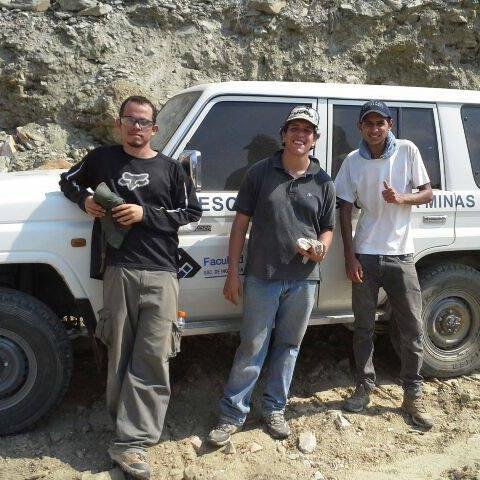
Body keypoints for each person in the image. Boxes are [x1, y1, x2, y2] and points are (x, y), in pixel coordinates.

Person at [59, 95, 202, 479]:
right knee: (118, 351)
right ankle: (126, 432)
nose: (136, 127)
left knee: (154, 355)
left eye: (143, 121)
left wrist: (145, 214)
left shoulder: (171, 169)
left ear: (154, 128)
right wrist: (86, 200)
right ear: (120, 124)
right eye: (130, 120)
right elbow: (67, 181)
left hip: (162, 272)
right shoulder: (101, 159)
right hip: (118, 269)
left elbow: (191, 212)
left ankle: (131, 442)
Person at [208, 106, 336, 446]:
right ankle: (232, 414)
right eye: (294, 128)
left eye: (307, 130)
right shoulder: (260, 173)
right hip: (262, 276)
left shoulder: (324, 182)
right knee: (252, 345)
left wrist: (320, 249)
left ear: (315, 139)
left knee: (289, 346)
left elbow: (327, 229)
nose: (300, 135)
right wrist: (233, 273)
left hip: (304, 279)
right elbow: (239, 226)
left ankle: (274, 409)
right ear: (283, 135)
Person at [334, 100, 434, 428]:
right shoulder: (352, 161)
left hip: (401, 254)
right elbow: (344, 209)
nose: (374, 129)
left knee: (413, 328)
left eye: (380, 122)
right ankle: (364, 387)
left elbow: (427, 193)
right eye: (368, 123)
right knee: (363, 327)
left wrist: (402, 198)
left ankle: (412, 395)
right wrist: (350, 256)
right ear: (360, 128)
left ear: (389, 124)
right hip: (365, 253)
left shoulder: (406, 151)